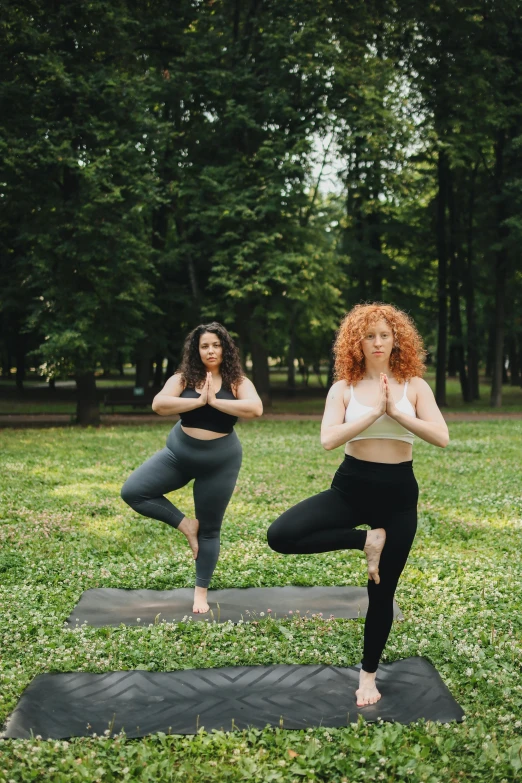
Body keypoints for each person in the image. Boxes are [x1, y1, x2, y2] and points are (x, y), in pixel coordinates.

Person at [267, 303, 449, 707]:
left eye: (385, 334)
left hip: (398, 496)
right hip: (350, 488)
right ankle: (365, 540)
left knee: (381, 593)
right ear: (358, 342)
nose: (378, 342)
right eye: (370, 336)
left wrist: (396, 412)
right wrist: (371, 416)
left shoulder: (414, 386)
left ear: (396, 338)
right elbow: (329, 439)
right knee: (281, 535)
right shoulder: (343, 388)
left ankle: (368, 676)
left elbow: (441, 436)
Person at [121, 322, 263, 613]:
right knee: (133, 491)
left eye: (216, 345)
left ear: (225, 348)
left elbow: (255, 409)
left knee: (210, 529)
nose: (210, 351)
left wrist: (215, 402)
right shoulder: (184, 377)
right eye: (204, 346)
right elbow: (159, 404)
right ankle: (187, 525)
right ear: (196, 351)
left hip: (220, 463)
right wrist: (199, 401)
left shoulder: (237, 380)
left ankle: (200, 592)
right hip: (179, 455)